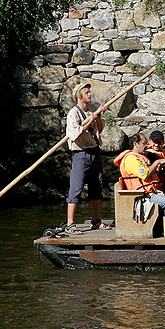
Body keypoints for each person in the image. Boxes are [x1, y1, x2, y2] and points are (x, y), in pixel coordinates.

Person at [64, 82, 107, 234]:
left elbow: (99, 129)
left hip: (95, 152)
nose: (90, 94)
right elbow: (76, 134)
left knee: (96, 186)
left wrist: (98, 117)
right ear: (79, 95)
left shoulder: (91, 112)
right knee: (76, 187)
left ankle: (96, 219)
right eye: (87, 92)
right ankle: (70, 223)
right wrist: (93, 117)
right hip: (81, 154)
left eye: (90, 92)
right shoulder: (73, 114)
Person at [114, 133, 165, 217]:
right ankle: (163, 226)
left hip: (152, 192)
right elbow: (145, 175)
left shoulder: (140, 157)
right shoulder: (131, 159)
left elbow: (149, 175)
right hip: (143, 195)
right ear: (135, 144)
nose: (147, 145)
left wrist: (158, 168)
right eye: (144, 143)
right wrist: (158, 162)